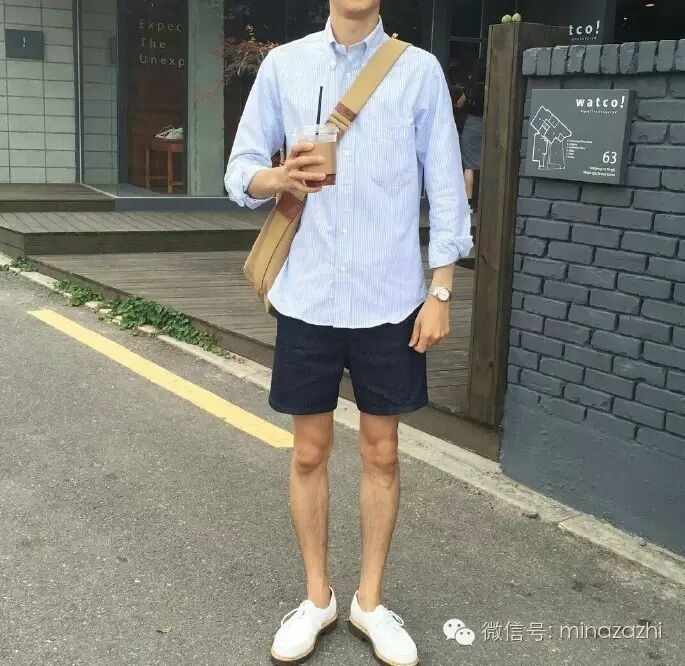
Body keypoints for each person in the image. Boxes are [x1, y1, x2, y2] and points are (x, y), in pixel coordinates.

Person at [225, 2, 472, 664]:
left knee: (381, 452)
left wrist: (441, 290)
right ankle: (317, 599)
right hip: (307, 295)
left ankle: (369, 601)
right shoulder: (285, 65)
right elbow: (240, 168)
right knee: (308, 452)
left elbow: (445, 186)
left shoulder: (417, 71)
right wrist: (277, 176)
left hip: (390, 299)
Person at [456, 53, 486, 211]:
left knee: (469, 166)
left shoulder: (471, 88)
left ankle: (468, 203)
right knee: (486, 164)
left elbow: (460, 104)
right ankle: (485, 201)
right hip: (488, 126)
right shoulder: (492, 86)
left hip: (472, 124)